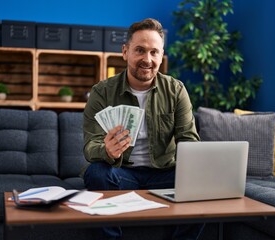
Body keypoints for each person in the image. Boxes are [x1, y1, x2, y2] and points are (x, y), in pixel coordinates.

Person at [83, 18, 204, 240]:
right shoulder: (101, 92)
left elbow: (189, 141)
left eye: (154, 52)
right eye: (140, 50)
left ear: (161, 55)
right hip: (122, 173)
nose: (147, 59)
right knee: (96, 173)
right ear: (125, 52)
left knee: (202, 180)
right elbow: (90, 145)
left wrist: (195, 168)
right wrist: (106, 151)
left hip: (164, 172)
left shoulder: (176, 90)